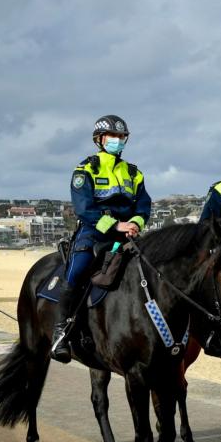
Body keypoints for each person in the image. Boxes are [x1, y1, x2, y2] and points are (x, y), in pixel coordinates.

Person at [50, 114, 151, 363]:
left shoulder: (134, 173)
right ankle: (61, 332)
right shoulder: (85, 170)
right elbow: (84, 209)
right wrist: (117, 225)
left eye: (121, 137)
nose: (118, 140)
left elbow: (144, 205)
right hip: (94, 233)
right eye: (113, 136)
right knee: (76, 272)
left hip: (128, 234)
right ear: (100, 139)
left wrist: (135, 225)